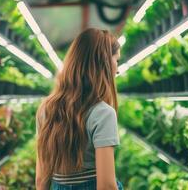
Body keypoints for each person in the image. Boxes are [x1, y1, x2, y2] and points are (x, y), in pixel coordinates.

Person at [36, 28, 123, 190]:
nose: (117, 69)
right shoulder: (103, 113)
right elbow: (106, 186)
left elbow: (41, 179)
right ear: (102, 61)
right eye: (116, 60)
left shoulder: (46, 110)